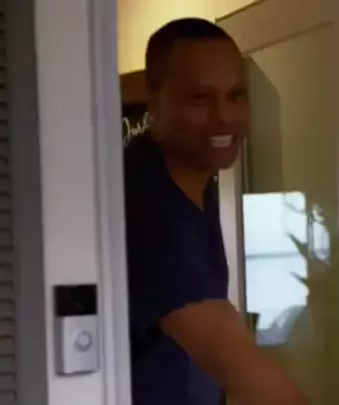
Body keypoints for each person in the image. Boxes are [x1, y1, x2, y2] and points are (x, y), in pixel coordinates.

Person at [124, 18, 307, 405]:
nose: (224, 117)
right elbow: (235, 364)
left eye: (236, 96)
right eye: (200, 99)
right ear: (153, 99)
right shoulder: (148, 201)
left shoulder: (196, 181)